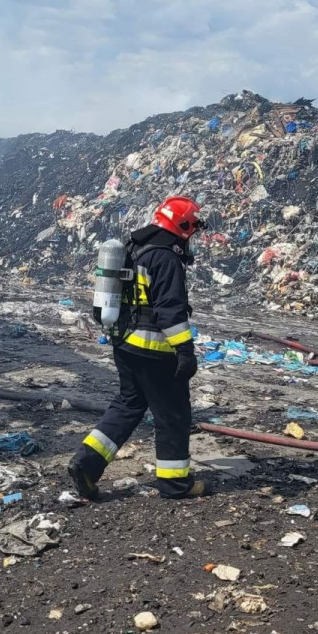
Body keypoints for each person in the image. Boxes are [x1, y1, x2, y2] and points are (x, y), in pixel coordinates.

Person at [68, 196, 208, 500]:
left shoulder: (135, 248)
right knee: (172, 415)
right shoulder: (166, 257)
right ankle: (175, 484)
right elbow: (170, 310)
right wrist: (185, 351)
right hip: (154, 352)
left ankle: (87, 464)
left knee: (128, 405)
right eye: (192, 229)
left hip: (125, 345)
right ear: (183, 225)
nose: (192, 237)